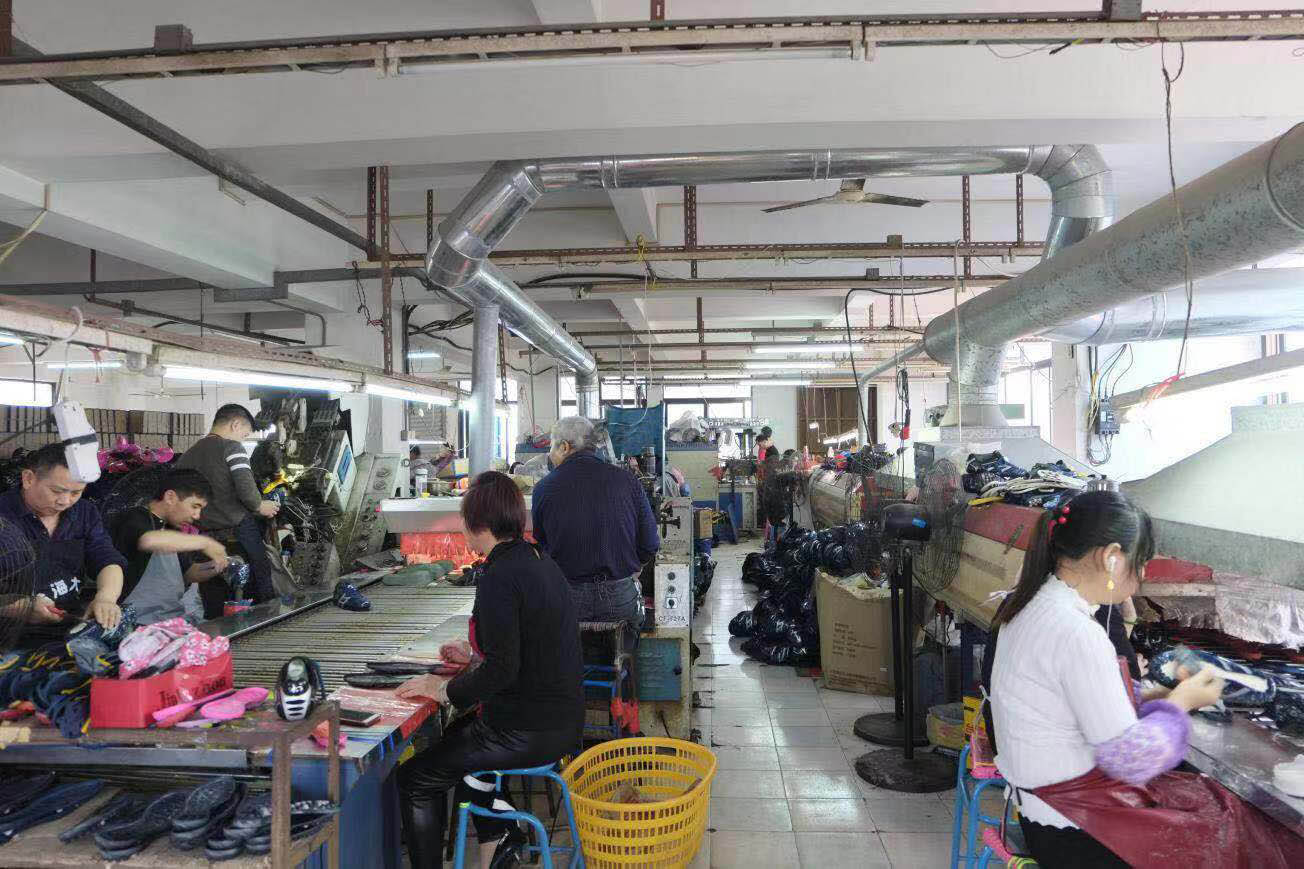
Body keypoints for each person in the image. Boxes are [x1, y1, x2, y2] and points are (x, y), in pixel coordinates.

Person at [985, 491, 1303, 868]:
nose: (1143, 575)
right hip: (1076, 830)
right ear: (1111, 556)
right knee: (1250, 831)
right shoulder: (1076, 634)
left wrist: (1150, 697)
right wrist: (1179, 705)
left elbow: (1069, 709)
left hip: (1042, 810)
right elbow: (1130, 760)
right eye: (1142, 563)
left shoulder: (1027, 608)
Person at [395, 471, 583, 869]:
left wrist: (441, 689)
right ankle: (503, 835)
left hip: (527, 730)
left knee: (415, 779)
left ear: (479, 524)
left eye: (464, 520)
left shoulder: (501, 575)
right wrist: (474, 657)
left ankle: (498, 836)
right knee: (457, 741)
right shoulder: (537, 559)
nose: (463, 528)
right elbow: (524, 648)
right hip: (558, 719)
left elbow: (504, 670)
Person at [530, 416, 658, 625]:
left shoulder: (544, 488)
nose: (549, 454)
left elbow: (543, 545)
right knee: (624, 649)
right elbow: (650, 543)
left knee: (567, 653)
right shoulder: (627, 481)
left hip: (567, 596)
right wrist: (632, 570)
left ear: (564, 447)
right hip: (620, 595)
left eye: (552, 446)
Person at [0, 444, 126, 640]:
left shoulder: (85, 512)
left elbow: (106, 558)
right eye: (56, 491)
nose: (65, 501)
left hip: (66, 626)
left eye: (76, 493)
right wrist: (16, 608)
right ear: (28, 479)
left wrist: (106, 598)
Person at [177, 404, 279, 603]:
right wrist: (261, 506)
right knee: (257, 584)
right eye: (244, 434)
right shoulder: (232, 447)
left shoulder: (187, 455)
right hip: (239, 533)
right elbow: (247, 491)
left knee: (215, 589)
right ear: (235, 424)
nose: (243, 439)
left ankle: (221, 630)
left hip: (204, 538)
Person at [110, 469, 230, 624]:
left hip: (169, 620)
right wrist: (205, 542)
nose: (197, 516)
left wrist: (218, 566)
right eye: (195, 506)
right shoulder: (134, 518)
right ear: (170, 497)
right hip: (135, 622)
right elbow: (148, 541)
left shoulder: (171, 529)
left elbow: (188, 574)